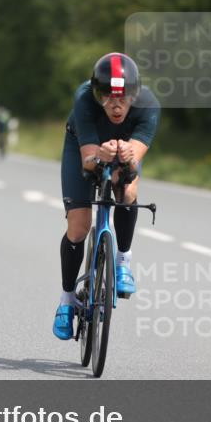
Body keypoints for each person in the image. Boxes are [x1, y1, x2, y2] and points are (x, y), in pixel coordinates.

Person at [52, 52, 160, 340]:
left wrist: (126, 157)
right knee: (78, 226)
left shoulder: (148, 105)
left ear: (135, 94)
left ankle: (123, 261)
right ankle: (66, 300)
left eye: (123, 97)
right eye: (108, 97)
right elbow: (88, 162)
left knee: (127, 190)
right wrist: (100, 155)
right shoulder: (84, 98)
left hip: (124, 151)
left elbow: (133, 164)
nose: (116, 105)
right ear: (96, 94)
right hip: (83, 146)